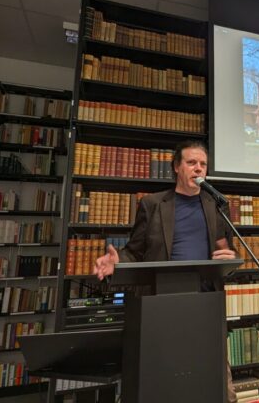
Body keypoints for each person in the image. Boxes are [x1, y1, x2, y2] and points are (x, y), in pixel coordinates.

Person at [92, 139, 238, 403]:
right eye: (191, 163)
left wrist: (230, 256)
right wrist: (117, 262)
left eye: (203, 164)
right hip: (161, 308)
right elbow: (135, 251)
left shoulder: (216, 205)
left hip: (206, 306)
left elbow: (223, 248)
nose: (198, 169)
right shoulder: (153, 204)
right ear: (176, 167)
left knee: (217, 388)